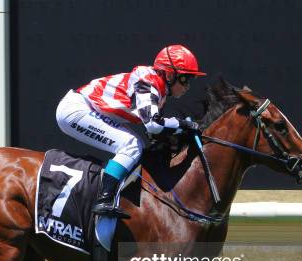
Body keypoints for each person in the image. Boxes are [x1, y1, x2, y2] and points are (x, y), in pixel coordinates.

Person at [55, 44, 206, 218]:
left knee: (136, 144)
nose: (187, 86)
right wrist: (185, 125)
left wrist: (179, 131)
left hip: (86, 108)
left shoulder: (159, 90)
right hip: (76, 110)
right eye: (185, 79)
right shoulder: (147, 83)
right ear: (170, 75)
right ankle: (104, 199)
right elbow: (154, 125)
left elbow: (156, 134)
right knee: (132, 145)